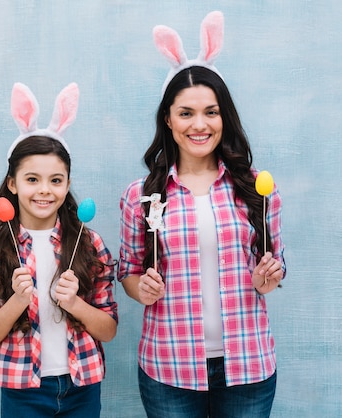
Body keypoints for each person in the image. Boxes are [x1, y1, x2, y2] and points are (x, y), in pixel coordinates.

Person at [118, 11, 286, 418]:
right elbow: (127, 271)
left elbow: (275, 264)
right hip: (168, 367)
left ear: (223, 117)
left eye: (211, 112)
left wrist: (269, 278)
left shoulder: (257, 188)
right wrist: (140, 289)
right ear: (168, 119)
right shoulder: (139, 196)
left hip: (248, 366)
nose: (200, 124)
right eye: (186, 113)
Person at [0, 82, 118, 418]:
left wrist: (74, 303)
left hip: (82, 386)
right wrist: (17, 303)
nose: (44, 191)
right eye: (32, 179)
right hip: (23, 391)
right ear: (13, 183)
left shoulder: (89, 244)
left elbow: (108, 330)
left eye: (56, 180)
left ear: (67, 184)